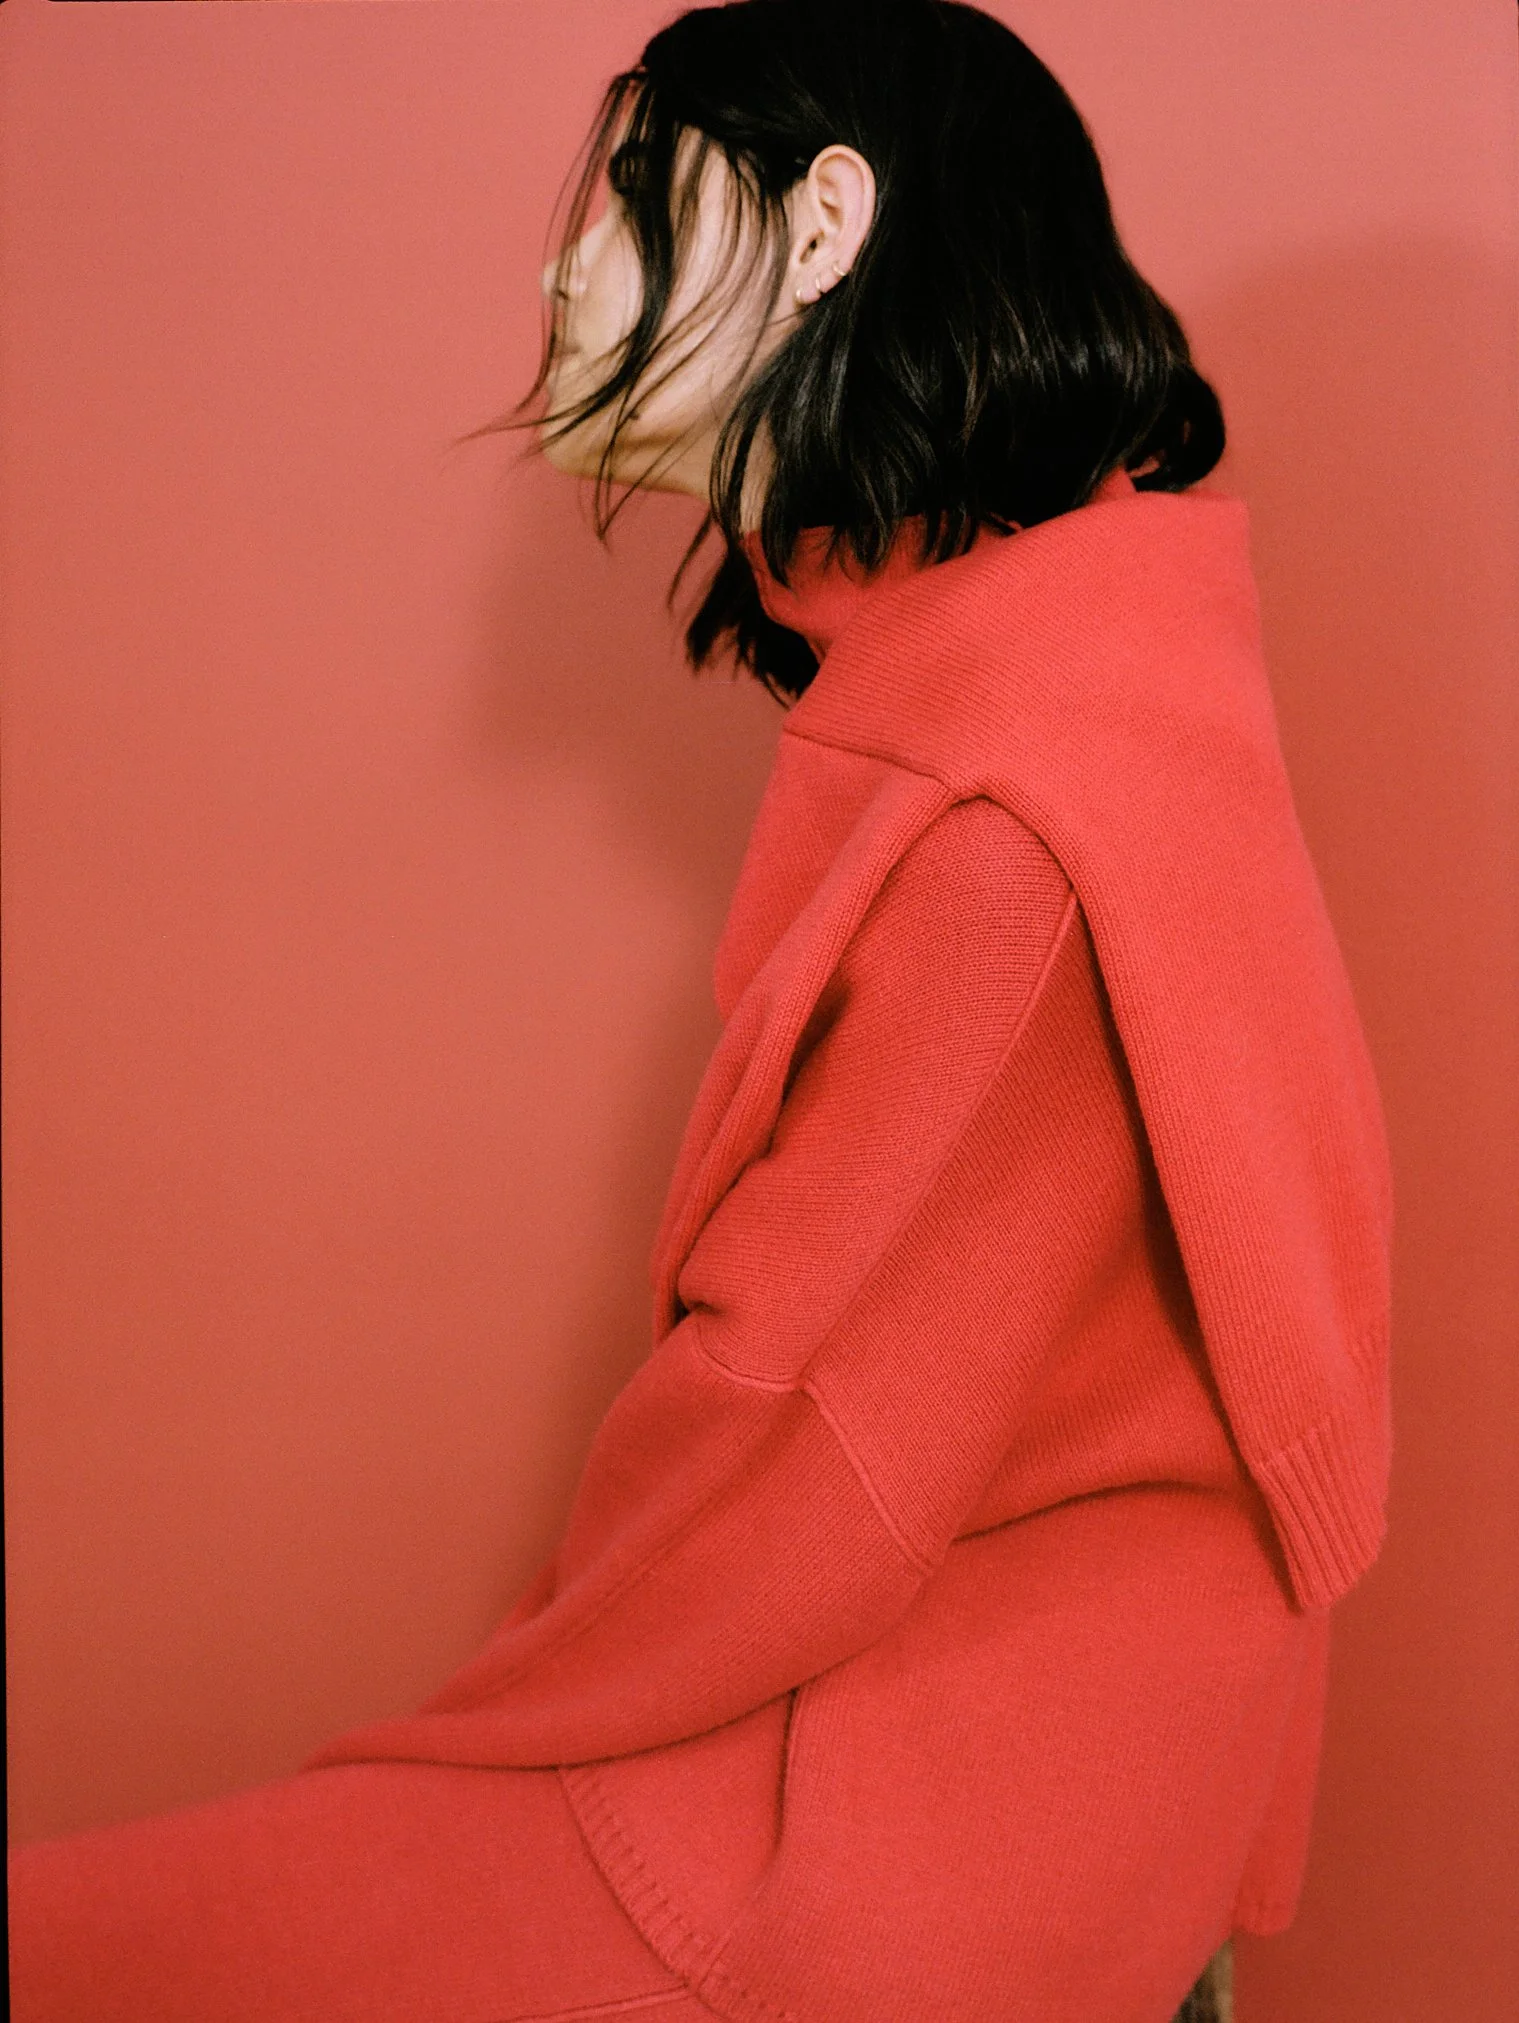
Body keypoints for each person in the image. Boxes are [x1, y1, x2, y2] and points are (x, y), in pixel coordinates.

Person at [7, 4, 1394, 2020]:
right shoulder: (1088, 678)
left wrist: (470, 1737)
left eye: (642, 199)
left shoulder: (999, 809)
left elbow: (801, 1448)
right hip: (1054, 1757)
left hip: (891, 1818)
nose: (566, 265)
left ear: (825, 224)